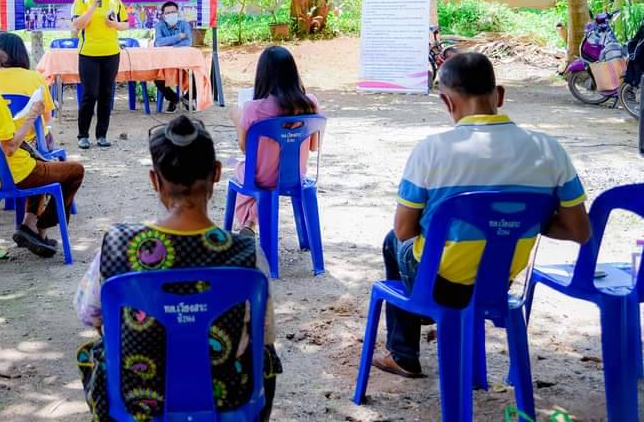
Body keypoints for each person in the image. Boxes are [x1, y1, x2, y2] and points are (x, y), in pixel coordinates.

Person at [374, 52, 592, 378]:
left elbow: (405, 230)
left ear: (447, 103)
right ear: (499, 95)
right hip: (497, 281)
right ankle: (425, 325)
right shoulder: (549, 149)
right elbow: (579, 231)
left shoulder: (431, 151)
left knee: (393, 242)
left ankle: (405, 350)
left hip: (441, 285)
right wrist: (522, 220)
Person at [74, 115, 281, 421]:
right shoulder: (247, 254)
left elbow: (88, 313)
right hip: (225, 396)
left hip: (139, 398)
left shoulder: (117, 246)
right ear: (217, 173)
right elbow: (264, 335)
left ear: (154, 180)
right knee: (266, 356)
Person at [0, 41, 84, 258]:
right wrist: (31, 117)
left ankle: (29, 225)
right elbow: (10, 148)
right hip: (10, 173)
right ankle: (40, 226)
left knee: (42, 167)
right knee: (75, 171)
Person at [228, 46, 320, 236]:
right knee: (252, 173)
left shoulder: (252, 108)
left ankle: (249, 221)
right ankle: (251, 222)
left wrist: (237, 119)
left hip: (261, 177)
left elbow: (245, 148)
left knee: (242, 169)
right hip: (295, 176)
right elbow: (314, 146)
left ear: (262, 75)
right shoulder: (310, 103)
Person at [71, 0, 129, 149]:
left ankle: (102, 135)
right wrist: (93, 6)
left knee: (106, 94)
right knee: (90, 95)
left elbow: (125, 25)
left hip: (111, 53)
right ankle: (83, 135)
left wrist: (114, 24)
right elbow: (78, 24)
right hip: (88, 54)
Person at [0, 31, 58, 150]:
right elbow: (47, 117)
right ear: (22, 53)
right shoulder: (36, 77)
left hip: (2, 143)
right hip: (36, 142)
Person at [153, 0, 194, 112]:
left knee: (197, 74)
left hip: (184, 61)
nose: (171, 15)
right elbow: (158, 43)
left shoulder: (184, 24)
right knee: (157, 78)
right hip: (165, 62)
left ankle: (186, 99)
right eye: (168, 13)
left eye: (173, 12)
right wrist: (178, 37)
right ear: (163, 15)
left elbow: (188, 42)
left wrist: (168, 44)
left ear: (178, 13)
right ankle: (174, 99)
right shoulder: (159, 26)